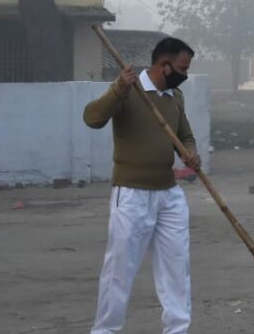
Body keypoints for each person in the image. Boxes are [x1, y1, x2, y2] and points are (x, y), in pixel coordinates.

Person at [84, 37, 202, 334]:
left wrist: (191, 152)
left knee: (177, 269)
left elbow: (184, 134)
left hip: (169, 195)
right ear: (164, 65)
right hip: (132, 194)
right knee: (119, 270)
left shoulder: (174, 96)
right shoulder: (129, 91)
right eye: (181, 68)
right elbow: (92, 118)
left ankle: (177, 330)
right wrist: (118, 88)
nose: (184, 75)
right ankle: (105, 331)